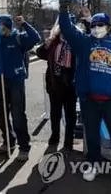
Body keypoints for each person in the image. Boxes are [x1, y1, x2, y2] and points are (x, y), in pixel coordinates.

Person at [57, 0, 111, 190]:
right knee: (92, 135)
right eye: (94, 24)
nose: (97, 28)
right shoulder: (84, 44)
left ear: (109, 26)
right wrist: (63, 11)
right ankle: (94, 164)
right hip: (89, 101)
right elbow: (69, 31)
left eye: (101, 24)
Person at [0, 15, 41, 161]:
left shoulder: (18, 37)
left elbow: (35, 38)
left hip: (16, 81)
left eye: (2, 28)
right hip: (1, 80)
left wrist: (24, 24)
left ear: (8, 27)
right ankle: (9, 140)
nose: (0, 31)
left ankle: (24, 146)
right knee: (0, 113)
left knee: (18, 115)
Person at [36, 14, 77, 153]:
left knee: (70, 115)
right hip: (55, 84)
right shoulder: (54, 41)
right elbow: (40, 54)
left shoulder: (75, 42)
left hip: (70, 85)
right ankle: (54, 138)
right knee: (55, 113)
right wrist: (45, 45)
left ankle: (68, 142)